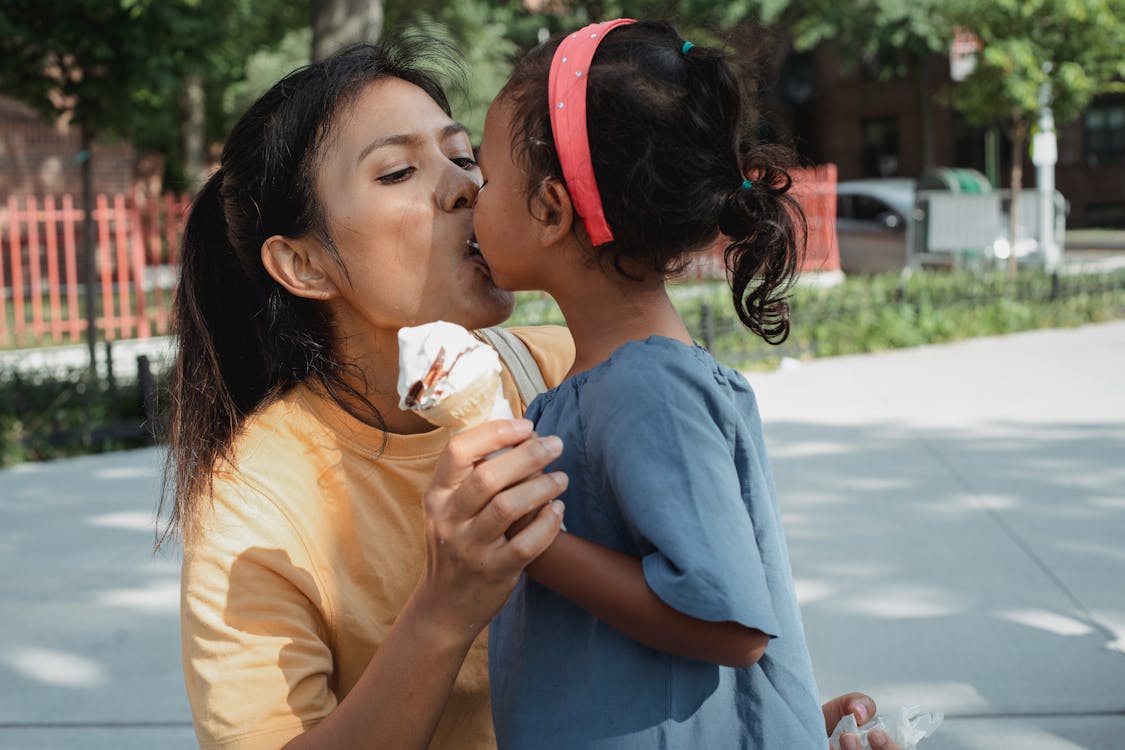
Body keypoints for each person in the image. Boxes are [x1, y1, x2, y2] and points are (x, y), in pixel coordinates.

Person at [164, 38, 898, 750]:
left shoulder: (567, 373)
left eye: (463, 155)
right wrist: (443, 609)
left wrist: (780, 725)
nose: (463, 186)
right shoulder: (254, 501)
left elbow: (710, 618)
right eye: (396, 173)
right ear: (304, 263)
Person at [473, 19, 871, 749]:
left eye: (487, 176)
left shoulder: (644, 386)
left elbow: (731, 622)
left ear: (551, 209)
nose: (470, 197)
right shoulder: (606, 380)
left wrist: (533, 540)